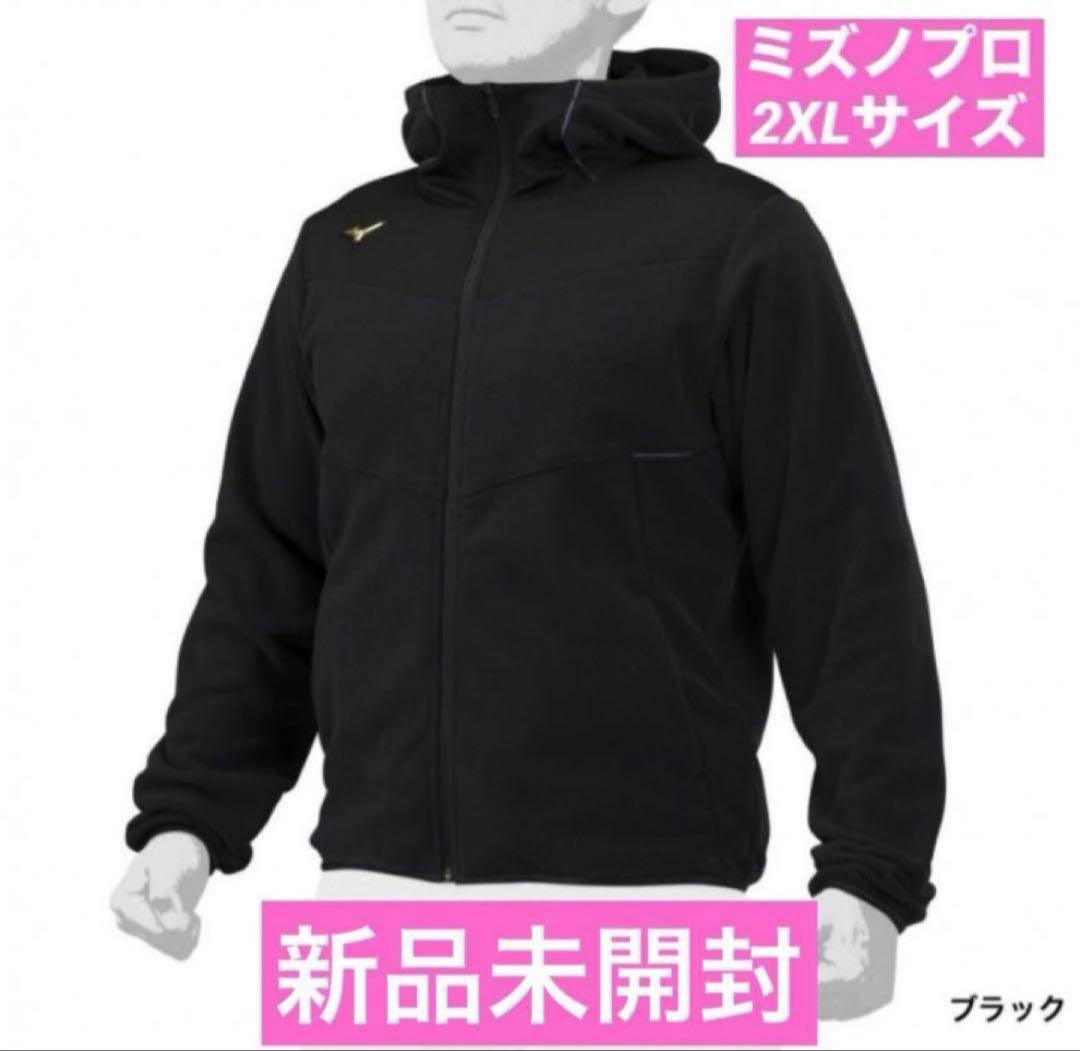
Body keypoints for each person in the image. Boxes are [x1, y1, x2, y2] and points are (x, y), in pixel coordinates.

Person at [110, 0, 946, 1020]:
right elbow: (268, 571)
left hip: (650, 910)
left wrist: (870, 869)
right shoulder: (347, 250)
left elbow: (843, 563)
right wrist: (189, 819)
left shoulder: (738, 239)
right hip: (375, 914)